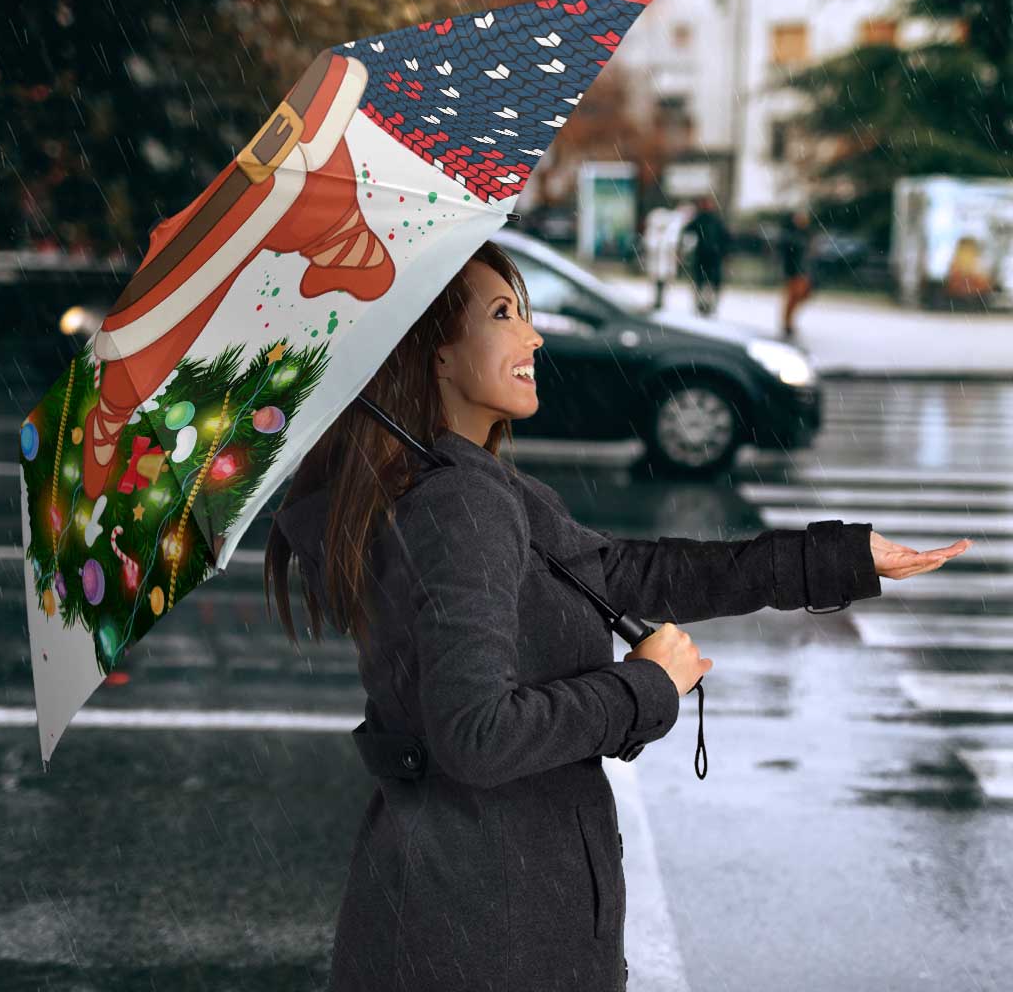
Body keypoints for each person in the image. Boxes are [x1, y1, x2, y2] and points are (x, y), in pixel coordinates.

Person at [265, 240, 968, 992]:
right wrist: (644, 687)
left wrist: (839, 559)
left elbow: (631, 573)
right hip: (488, 930)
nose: (533, 336)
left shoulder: (467, 486)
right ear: (434, 355)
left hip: (471, 908)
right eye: (503, 314)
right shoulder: (459, 505)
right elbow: (476, 736)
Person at [681, 194, 731, 317]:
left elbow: (725, 238)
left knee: (709, 283)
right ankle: (702, 305)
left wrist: (724, 252)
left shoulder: (714, 220)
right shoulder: (701, 219)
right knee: (702, 282)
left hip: (712, 256)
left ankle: (708, 305)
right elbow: (687, 232)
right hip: (704, 256)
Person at [779, 207, 815, 338]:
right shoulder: (791, 235)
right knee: (793, 297)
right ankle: (787, 323)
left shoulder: (806, 234)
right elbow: (788, 254)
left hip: (803, 271)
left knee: (801, 296)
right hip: (794, 271)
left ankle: (788, 322)